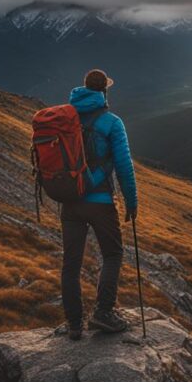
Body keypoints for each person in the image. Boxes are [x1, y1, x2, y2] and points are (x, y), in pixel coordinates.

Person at [62, 69, 138, 340]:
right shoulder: (111, 122)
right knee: (113, 254)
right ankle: (103, 313)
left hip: (70, 201)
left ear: (84, 89)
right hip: (101, 202)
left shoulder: (65, 118)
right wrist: (131, 201)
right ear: (104, 91)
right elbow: (123, 166)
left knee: (71, 263)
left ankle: (73, 324)